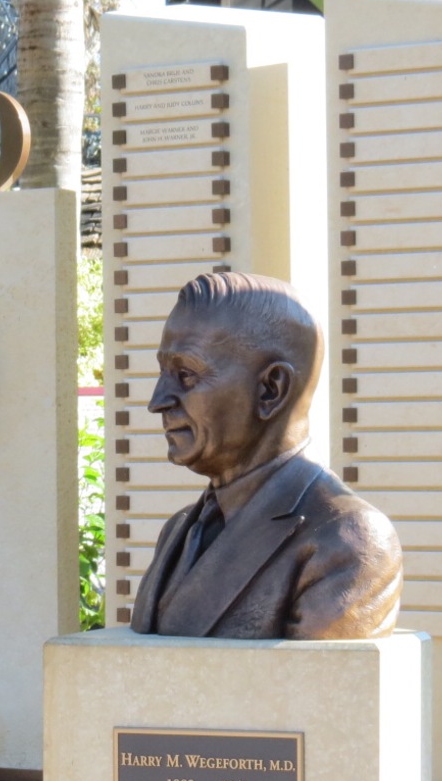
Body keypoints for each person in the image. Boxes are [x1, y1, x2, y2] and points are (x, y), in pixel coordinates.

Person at [129, 271, 402, 639]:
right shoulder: (179, 531)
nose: (157, 401)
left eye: (186, 375)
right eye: (163, 373)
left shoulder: (346, 541)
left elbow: (316, 677)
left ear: (271, 390)